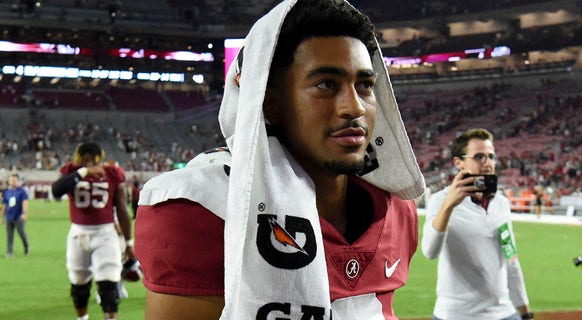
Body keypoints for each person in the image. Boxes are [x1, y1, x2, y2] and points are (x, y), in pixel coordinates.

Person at [134, 0, 425, 319]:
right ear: (269, 103)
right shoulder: (201, 210)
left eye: (365, 85)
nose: (354, 107)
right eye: (326, 84)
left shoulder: (396, 209)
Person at [421, 128, 533, 320]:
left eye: (491, 156)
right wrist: (449, 205)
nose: (487, 163)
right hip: (455, 314)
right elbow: (430, 252)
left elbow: (510, 257)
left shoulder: (501, 203)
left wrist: (524, 311)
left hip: (502, 313)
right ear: (459, 163)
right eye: (479, 157)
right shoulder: (440, 201)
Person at [51, 142, 134, 320]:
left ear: (98, 159)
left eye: (90, 160)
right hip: (78, 234)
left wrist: (128, 243)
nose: (87, 163)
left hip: (105, 233)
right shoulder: (72, 171)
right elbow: (56, 191)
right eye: (84, 160)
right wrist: (83, 173)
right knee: (79, 285)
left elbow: (122, 209)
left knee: (109, 285)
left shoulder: (112, 173)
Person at [2, 173, 29, 258]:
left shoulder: (21, 191)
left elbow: (24, 202)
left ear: (17, 181)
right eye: (11, 180)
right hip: (9, 216)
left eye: (14, 180)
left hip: (18, 216)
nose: (13, 181)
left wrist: (24, 214)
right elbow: (4, 205)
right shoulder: (7, 192)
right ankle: (9, 251)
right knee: (9, 235)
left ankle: (26, 247)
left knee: (21, 232)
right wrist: (3, 216)